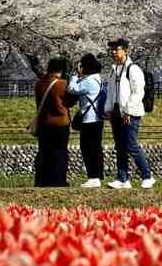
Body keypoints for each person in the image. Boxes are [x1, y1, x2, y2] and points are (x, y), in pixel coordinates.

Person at [105, 39, 154, 189]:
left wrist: (128, 111)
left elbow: (138, 92)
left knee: (131, 145)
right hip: (116, 113)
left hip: (130, 113)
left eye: (117, 49)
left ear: (126, 51)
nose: (113, 52)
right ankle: (122, 178)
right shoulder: (114, 70)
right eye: (112, 49)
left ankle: (147, 176)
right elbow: (111, 92)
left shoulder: (132, 69)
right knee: (120, 146)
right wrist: (108, 110)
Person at [66, 53, 107, 187]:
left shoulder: (88, 81)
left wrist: (75, 76)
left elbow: (72, 89)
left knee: (87, 148)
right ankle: (97, 176)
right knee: (96, 148)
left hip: (89, 119)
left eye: (81, 66)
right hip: (98, 119)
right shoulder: (98, 79)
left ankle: (93, 177)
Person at [33, 58, 72, 188]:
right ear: (61, 70)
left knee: (43, 152)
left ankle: (41, 180)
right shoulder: (62, 84)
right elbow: (71, 101)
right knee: (59, 152)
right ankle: (58, 180)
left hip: (44, 123)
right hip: (60, 123)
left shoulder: (39, 84)